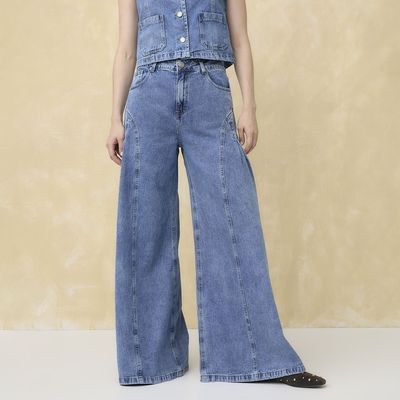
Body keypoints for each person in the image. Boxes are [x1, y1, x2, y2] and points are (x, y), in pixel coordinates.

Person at [106, 0, 326, 388]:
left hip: (209, 93)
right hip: (149, 95)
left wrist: (249, 107)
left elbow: (240, 40)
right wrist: (115, 117)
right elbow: (126, 48)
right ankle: (148, 361)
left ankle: (255, 359)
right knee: (145, 228)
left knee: (232, 221)